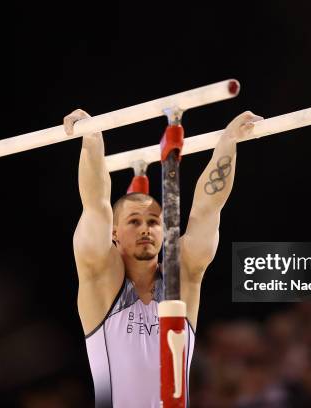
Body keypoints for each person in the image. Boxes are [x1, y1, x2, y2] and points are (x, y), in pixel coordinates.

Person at [64, 108, 263, 407]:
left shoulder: (184, 276)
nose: (146, 229)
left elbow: (207, 210)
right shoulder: (100, 279)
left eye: (154, 221)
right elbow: (96, 205)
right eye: (134, 221)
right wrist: (92, 137)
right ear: (114, 232)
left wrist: (229, 143)